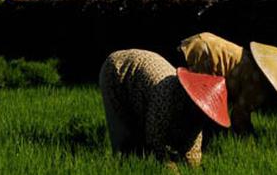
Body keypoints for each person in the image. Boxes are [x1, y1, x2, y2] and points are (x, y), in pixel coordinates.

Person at [99, 49, 230, 165]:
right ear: (193, 101)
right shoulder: (165, 96)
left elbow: (192, 147)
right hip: (118, 71)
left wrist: (193, 168)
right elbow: (154, 139)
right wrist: (169, 165)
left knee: (140, 144)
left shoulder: (197, 114)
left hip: (142, 83)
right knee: (126, 145)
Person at [177, 32, 277, 133]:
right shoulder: (257, 84)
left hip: (204, 42)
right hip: (206, 54)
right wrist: (248, 137)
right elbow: (239, 114)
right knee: (194, 104)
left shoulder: (251, 64)